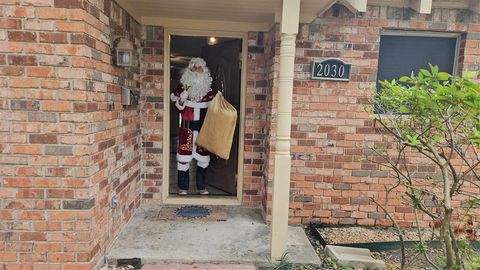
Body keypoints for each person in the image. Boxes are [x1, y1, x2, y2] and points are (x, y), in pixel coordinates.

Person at [170, 57, 217, 195]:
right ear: (189, 70)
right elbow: (177, 109)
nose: (196, 71)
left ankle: (201, 187)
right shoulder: (182, 88)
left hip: (203, 130)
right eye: (194, 68)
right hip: (187, 129)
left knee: (203, 160)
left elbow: (218, 111)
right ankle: (183, 187)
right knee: (183, 160)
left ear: (204, 71)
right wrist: (182, 99)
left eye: (199, 68)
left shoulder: (210, 91)